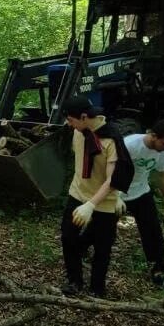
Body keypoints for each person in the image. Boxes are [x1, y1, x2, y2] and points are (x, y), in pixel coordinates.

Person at [58, 97, 130, 298]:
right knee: (68, 237)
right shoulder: (78, 131)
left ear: (83, 117)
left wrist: (93, 204)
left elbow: (113, 178)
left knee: (102, 247)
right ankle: (74, 281)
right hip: (78, 193)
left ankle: (97, 288)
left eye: (71, 120)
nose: (68, 124)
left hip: (104, 202)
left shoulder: (111, 139)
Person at [117, 119, 164, 286]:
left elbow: (162, 175)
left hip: (141, 193)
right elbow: (111, 169)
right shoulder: (129, 145)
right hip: (118, 194)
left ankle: (158, 269)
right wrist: (114, 196)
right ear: (153, 136)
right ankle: (79, 251)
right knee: (100, 229)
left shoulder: (163, 152)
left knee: (153, 232)